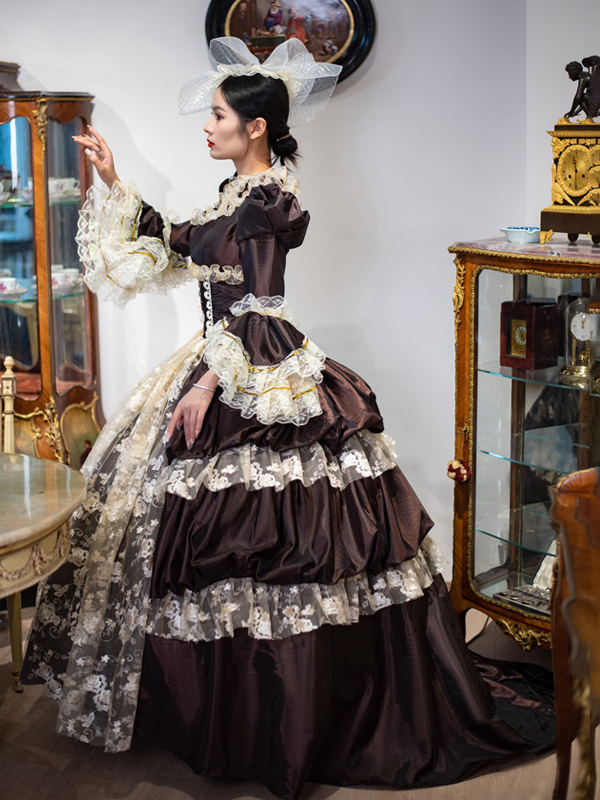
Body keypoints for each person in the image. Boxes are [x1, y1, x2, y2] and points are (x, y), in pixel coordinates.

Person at [22, 37, 555, 800]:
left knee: (268, 541)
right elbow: (177, 242)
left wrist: (208, 384)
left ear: (256, 127)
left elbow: (263, 306)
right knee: (204, 540)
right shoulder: (234, 194)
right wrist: (112, 179)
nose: (207, 126)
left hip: (248, 361)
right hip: (221, 354)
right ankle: (230, 715)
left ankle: (283, 719)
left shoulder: (268, 200)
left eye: (218, 116)